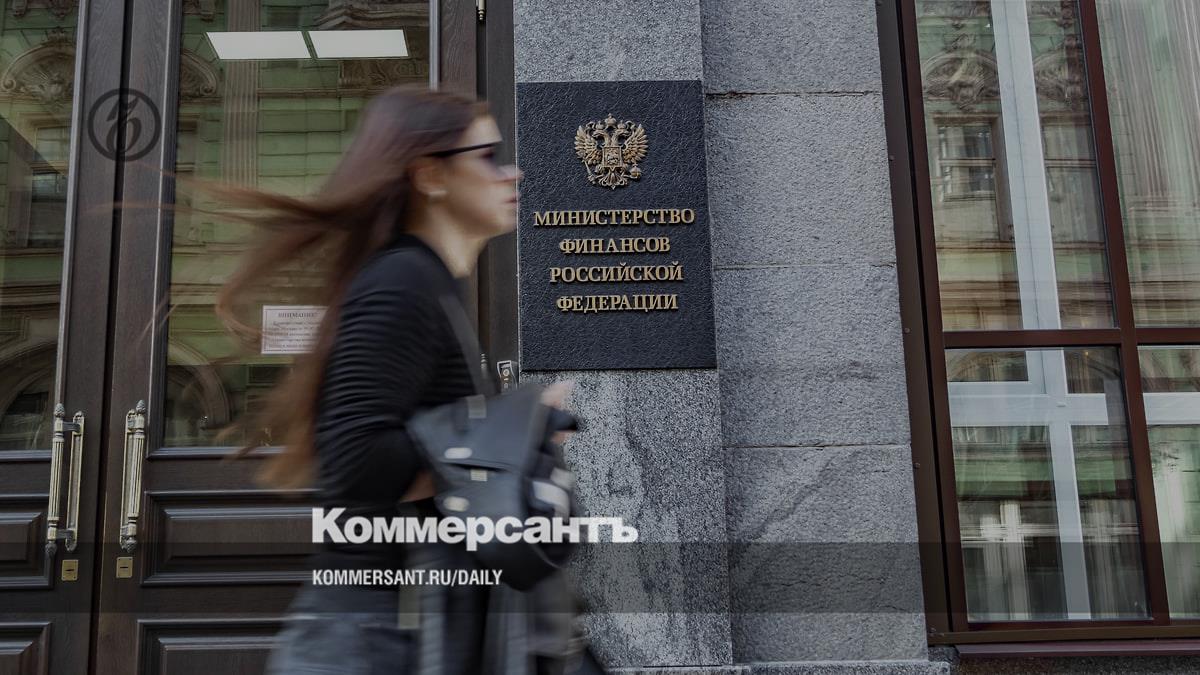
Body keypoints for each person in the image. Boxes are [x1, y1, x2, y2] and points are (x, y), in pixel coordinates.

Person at [208, 86, 596, 674]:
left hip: (406, 627)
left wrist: (507, 433)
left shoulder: (430, 282)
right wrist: (511, 430)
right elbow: (354, 463)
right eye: (488, 157)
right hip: (373, 638)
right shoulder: (402, 282)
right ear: (431, 176)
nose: (511, 173)